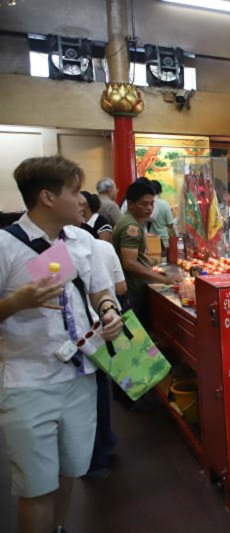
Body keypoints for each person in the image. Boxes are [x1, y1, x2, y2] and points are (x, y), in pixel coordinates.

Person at [0, 156, 123, 533]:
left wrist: (108, 312)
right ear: (47, 197)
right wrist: (17, 302)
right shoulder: (6, 246)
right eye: (73, 191)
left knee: (71, 469)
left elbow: (100, 290)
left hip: (82, 375)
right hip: (29, 383)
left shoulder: (82, 239)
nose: (82, 201)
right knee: (37, 488)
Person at [86, 239, 127, 479]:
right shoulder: (102, 247)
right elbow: (118, 288)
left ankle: (97, 456)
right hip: (102, 330)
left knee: (97, 390)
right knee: (101, 387)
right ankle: (104, 445)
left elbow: (104, 292)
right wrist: (110, 309)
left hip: (88, 335)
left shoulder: (82, 245)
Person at [113, 180, 180, 322]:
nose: (149, 208)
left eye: (151, 203)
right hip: (133, 288)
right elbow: (129, 263)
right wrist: (164, 280)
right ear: (131, 204)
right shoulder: (132, 227)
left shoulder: (131, 220)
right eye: (144, 204)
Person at [148, 180, 176, 253]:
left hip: (149, 240)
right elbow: (170, 225)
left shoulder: (145, 204)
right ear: (160, 191)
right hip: (163, 241)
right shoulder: (165, 204)